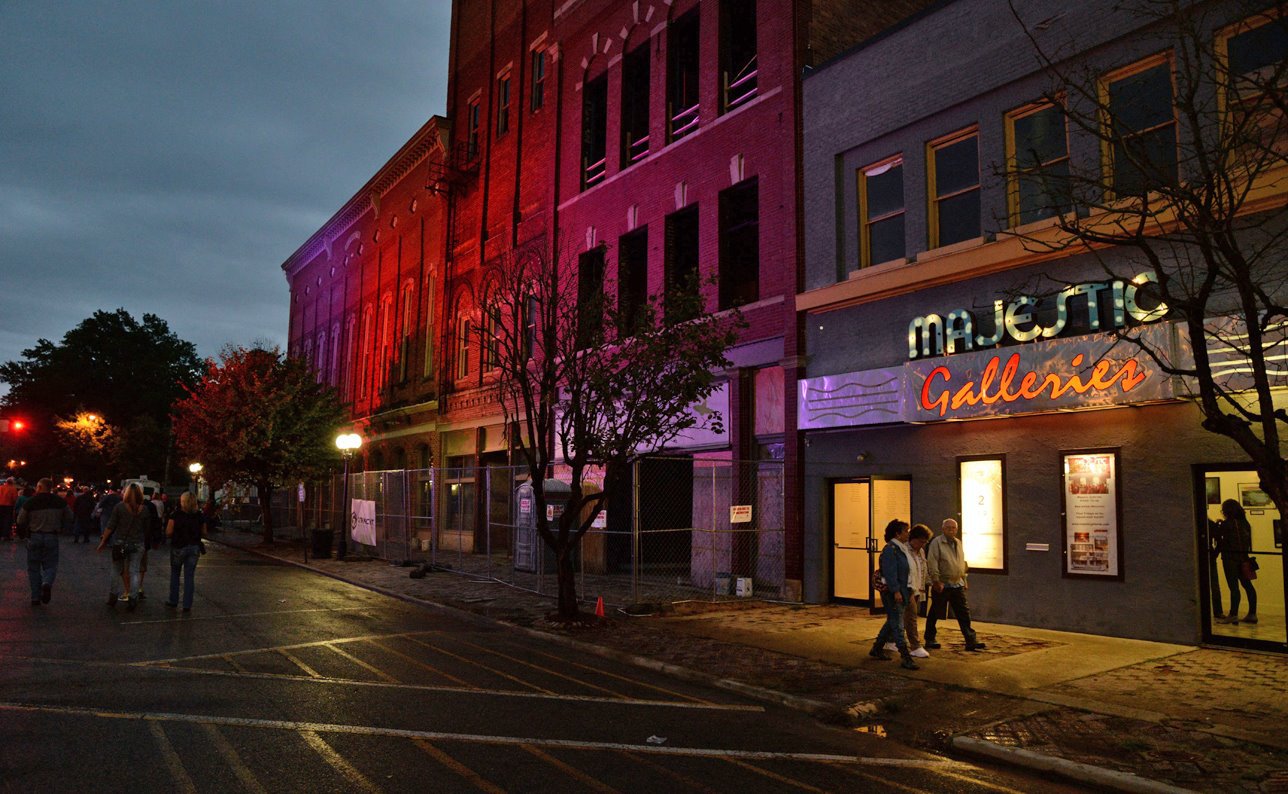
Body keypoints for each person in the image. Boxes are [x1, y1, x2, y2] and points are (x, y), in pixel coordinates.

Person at [925, 518, 987, 652]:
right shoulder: (937, 543)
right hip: (943, 583)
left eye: (953, 528)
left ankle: (970, 640)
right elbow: (932, 562)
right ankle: (929, 638)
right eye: (948, 528)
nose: (951, 530)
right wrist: (936, 580)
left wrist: (964, 579)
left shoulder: (958, 543)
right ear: (943, 529)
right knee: (935, 611)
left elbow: (961, 562)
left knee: (963, 612)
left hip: (957, 583)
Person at [869, 519, 920, 670]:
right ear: (897, 534)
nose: (908, 534)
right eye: (906, 531)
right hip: (894, 592)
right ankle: (905, 657)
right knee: (897, 624)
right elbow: (890, 573)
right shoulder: (891, 550)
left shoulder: (901, 548)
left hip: (903, 590)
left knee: (893, 620)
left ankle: (877, 648)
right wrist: (896, 590)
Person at [16, 478, 73, 606]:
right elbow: (70, 516)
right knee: (51, 565)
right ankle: (46, 582)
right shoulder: (59, 501)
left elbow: (20, 520)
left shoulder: (31, 502)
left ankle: (35, 597)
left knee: (33, 568)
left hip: (35, 536)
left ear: (40, 487)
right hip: (52, 536)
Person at [98, 483, 148, 610]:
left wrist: (103, 541)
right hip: (137, 543)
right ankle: (133, 598)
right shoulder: (144, 509)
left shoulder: (119, 507)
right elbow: (147, 529)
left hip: (120, 543)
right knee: (134, 571)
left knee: (116, 570)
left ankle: (113, 596)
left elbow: (111, 525)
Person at [1216, 499, 1257, 625]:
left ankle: (1233, 614)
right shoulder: (1245, 523)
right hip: (1244, 558)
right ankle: (1252, 614)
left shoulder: (1226, 525)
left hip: (1230, 559)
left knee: (1234, 588)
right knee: (1248, 586)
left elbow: (1221, 542)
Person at [166, 491, 207, 612]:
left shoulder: (175, 515)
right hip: (194, 547)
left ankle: (173, 600)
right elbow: (205, 532)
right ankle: (187, 604)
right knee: (189, 576)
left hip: (178, 547)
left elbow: (168, 532)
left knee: (175, 574)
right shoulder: (199, 515)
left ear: (182, 501)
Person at [136, 495, 164, 600]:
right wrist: (156, 539)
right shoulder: (150, 506)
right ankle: (139, 587)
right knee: (142, 565)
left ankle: (130, 589)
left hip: (130, 539)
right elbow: (155, 524)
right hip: (144, 539)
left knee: (129, 565)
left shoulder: (125, 505)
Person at [0, 476, 17, 540]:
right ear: (12, 483)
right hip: (9, 506)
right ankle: (5, 535)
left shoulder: (1, 487)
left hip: (0, 505)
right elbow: (15, 499)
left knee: (1, 519)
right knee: (7, 520)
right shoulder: (13, 489)